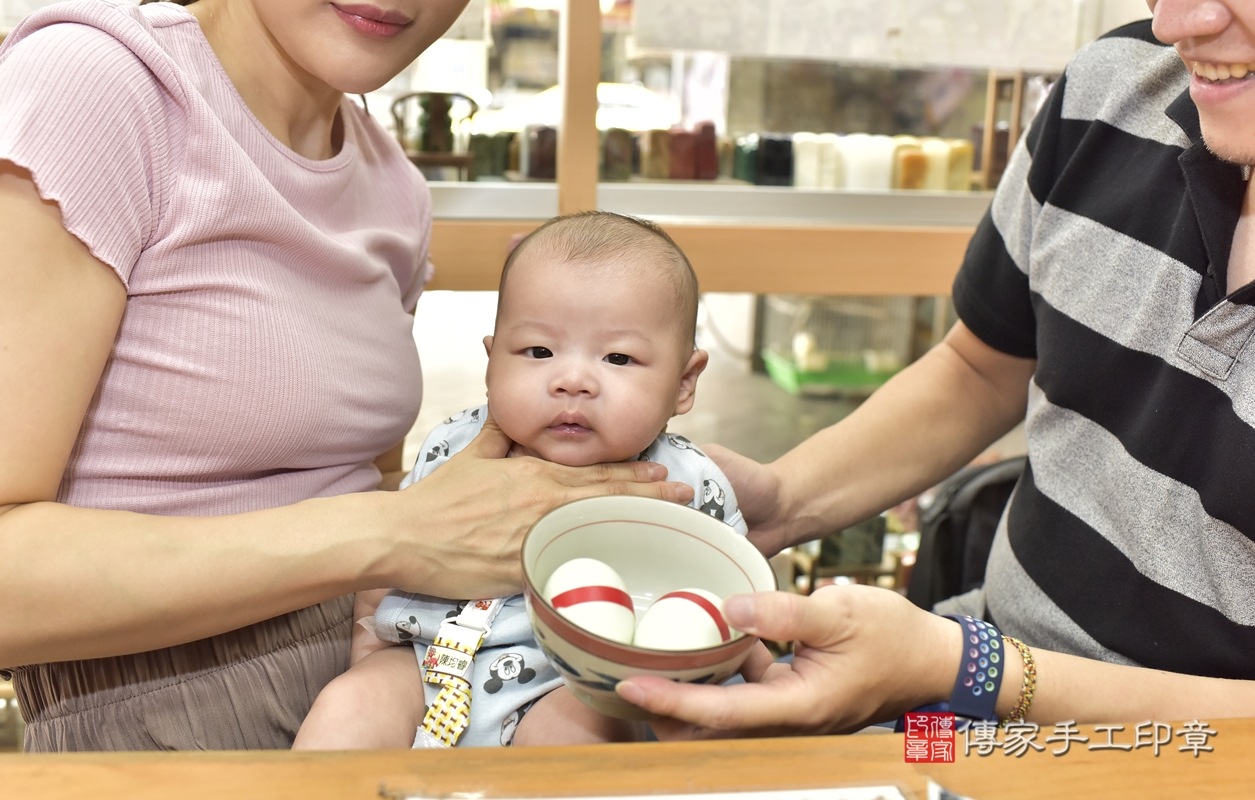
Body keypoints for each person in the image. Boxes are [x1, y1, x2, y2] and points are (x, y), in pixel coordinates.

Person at [0, 0, 692, 751]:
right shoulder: (98, 83)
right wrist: (395, 531)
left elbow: (366, 493)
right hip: (169, 731)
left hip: (394, 687)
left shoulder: (390, 182)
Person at [617, 0, 1255, 737]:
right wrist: (779, 501)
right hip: (964, 708)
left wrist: (964, 666)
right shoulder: (1108, 92)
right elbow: (980, 370)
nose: (1180, 23)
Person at [292, 212, 747, 749]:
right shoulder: (457, 448)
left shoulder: (684, 483)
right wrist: (368, 650)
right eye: (539, 352)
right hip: (424, 663)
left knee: (572, 742)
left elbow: (735, 608)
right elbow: (392, 546)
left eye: (618, 357)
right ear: (491, 364)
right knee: (346, 708)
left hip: (576, 687)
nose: (572, 380)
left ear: (683, 383)